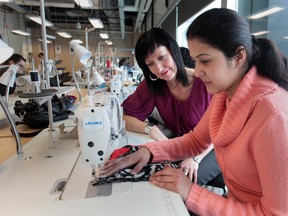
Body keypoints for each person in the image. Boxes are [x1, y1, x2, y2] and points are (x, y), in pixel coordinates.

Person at [101, 8, 288, 215]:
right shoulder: (224, 94)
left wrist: (191, 192)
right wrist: (150, 150)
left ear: (239, 57)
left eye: (205, 60)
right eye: (196, 60)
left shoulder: (273, 117)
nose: (197, 71)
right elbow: (196, 141)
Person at [121, 27, 223, 187]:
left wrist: (195, 158)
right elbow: (124, 116)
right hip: (185, 145)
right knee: (154, 176)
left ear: (173, 50)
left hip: (213, 147)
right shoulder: (153, 85)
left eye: (162, 57)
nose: (159, 68)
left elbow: (219, 129)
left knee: (181, 183)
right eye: (151, 64)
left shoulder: (204, 82)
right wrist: (150, 129)